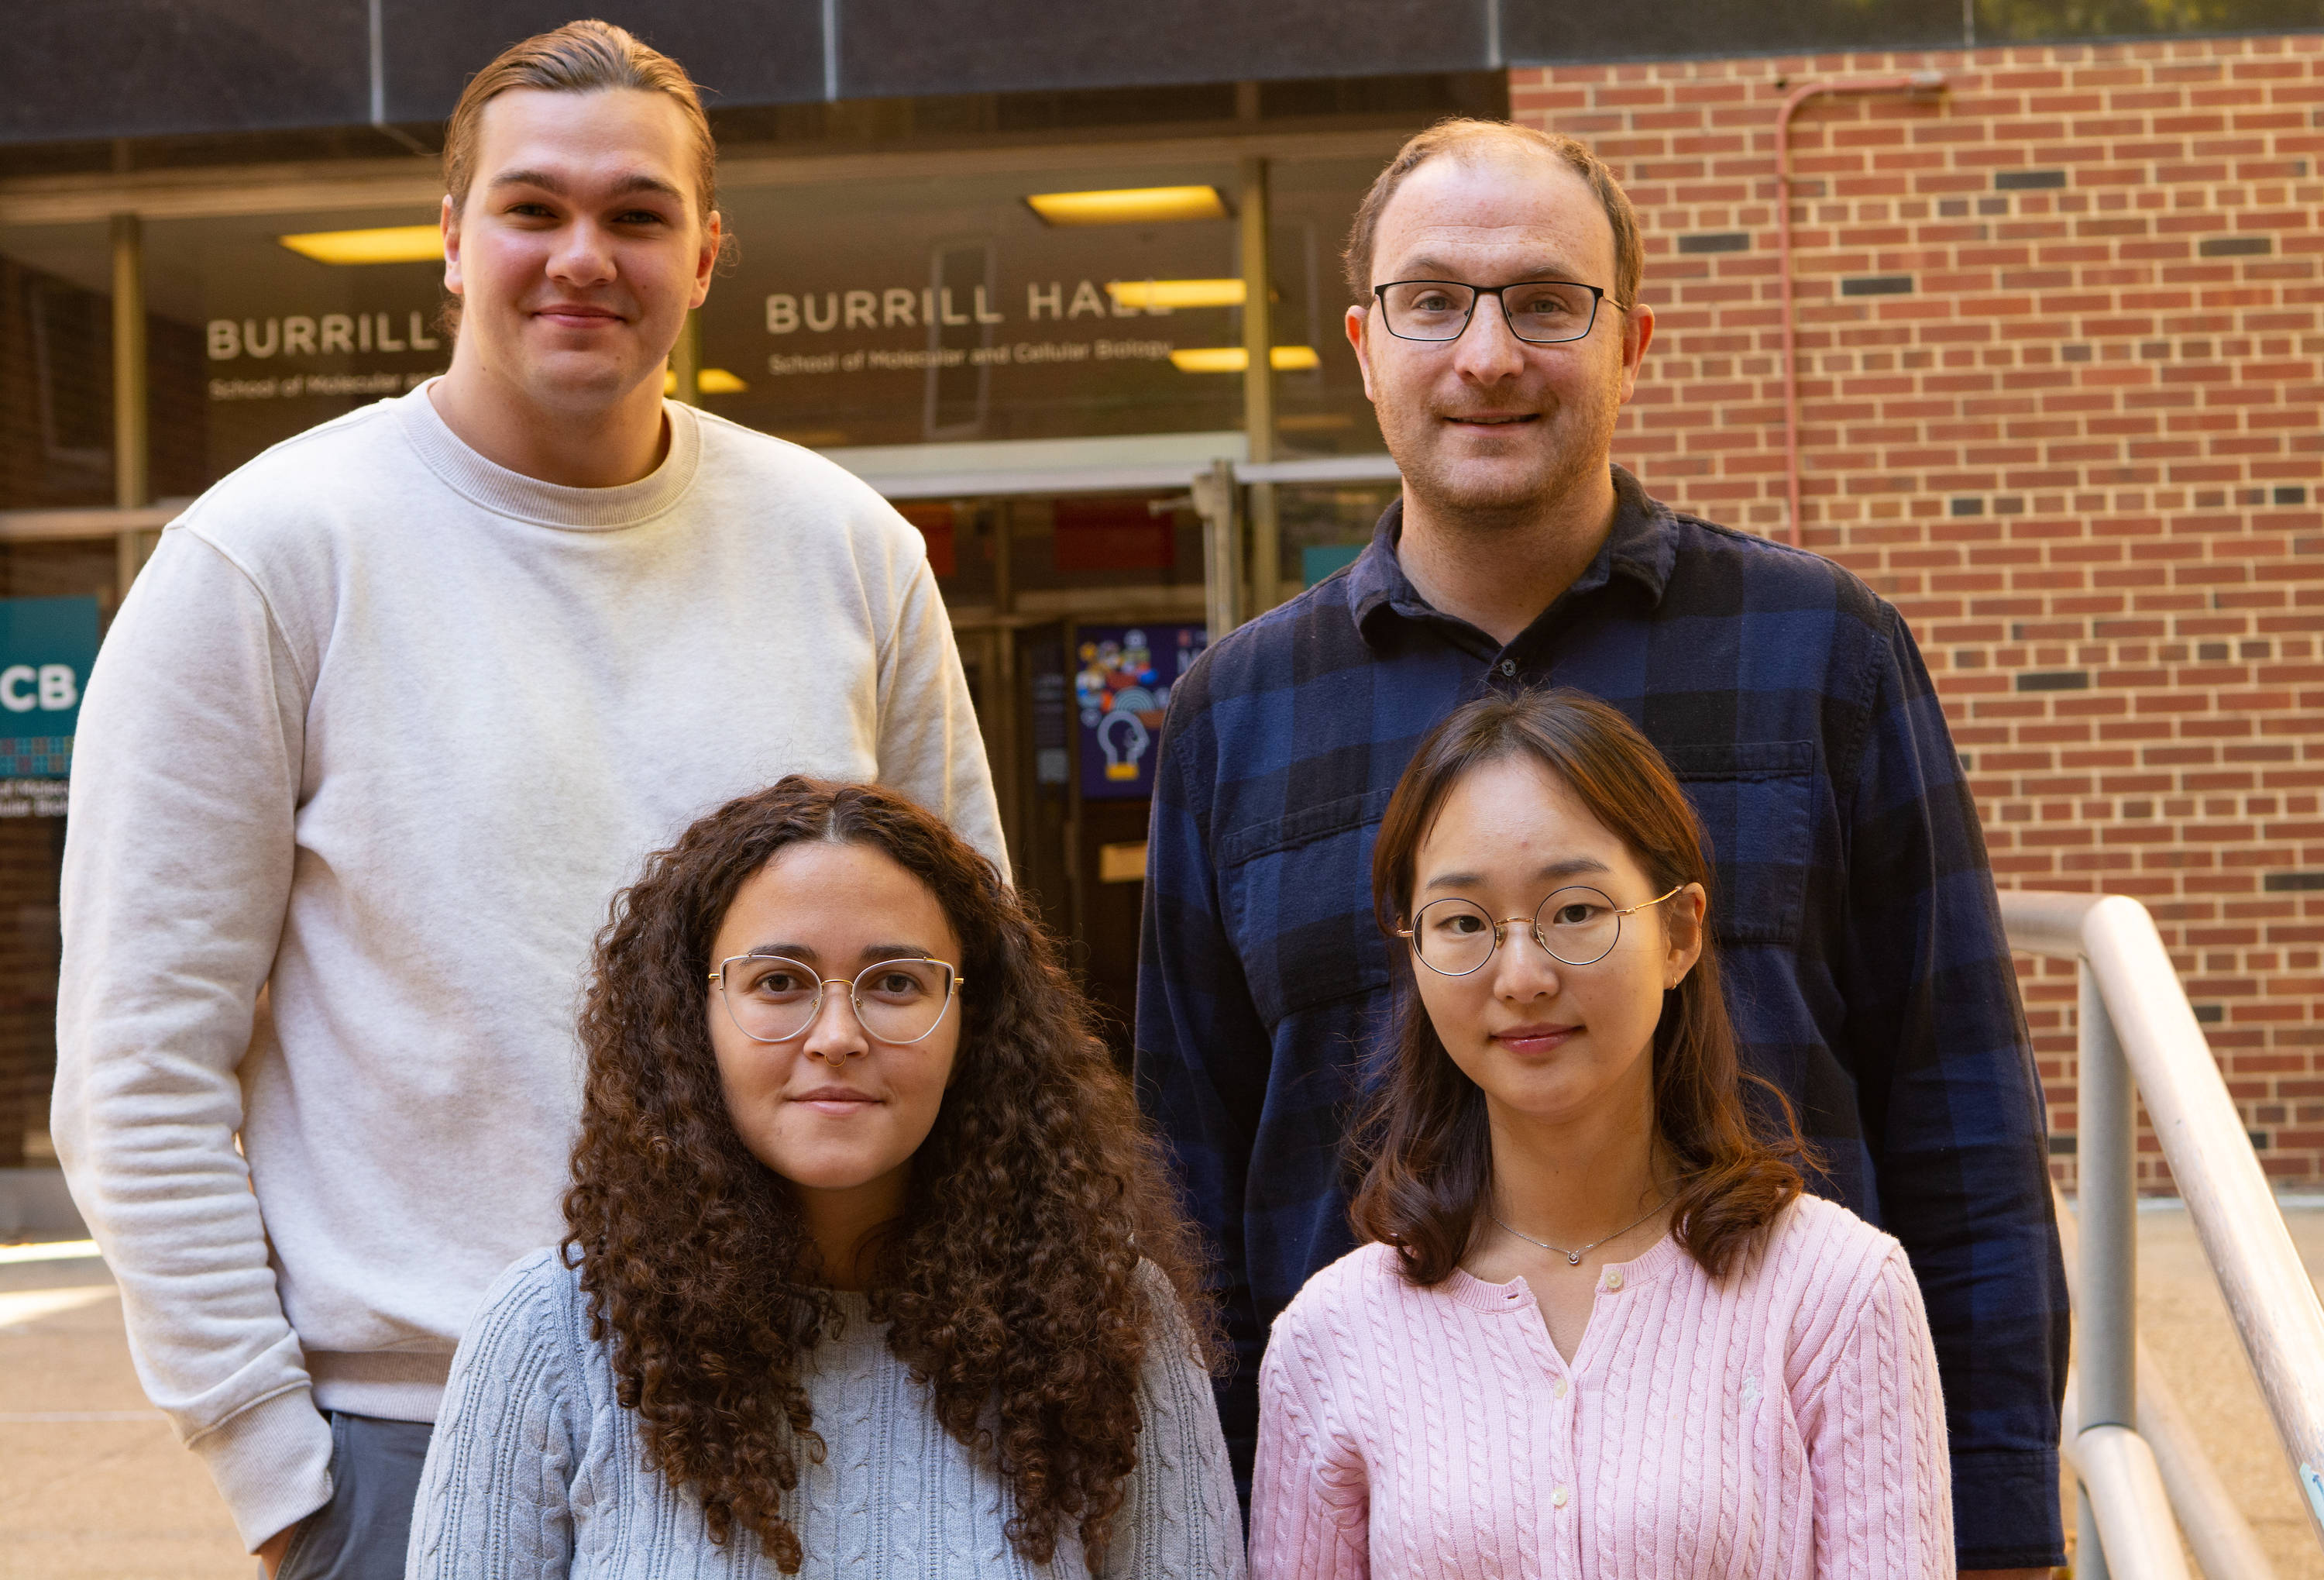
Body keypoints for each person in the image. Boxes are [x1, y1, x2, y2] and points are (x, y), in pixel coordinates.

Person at [51, 22, 999, 1579]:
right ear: (450, 238)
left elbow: (968, 992)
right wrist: (282, 1469)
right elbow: (137, 1067)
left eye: (634, 215)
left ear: (705, 255)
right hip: (402, 1444)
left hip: (809, 1406)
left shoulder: (851, 552)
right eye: (532, 208)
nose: (582, 256)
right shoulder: (266, 559)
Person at [1136, 118, 2064, 1575]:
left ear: (1633, 338)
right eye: (1432, 300)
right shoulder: (1235, 713)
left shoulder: (1821, 650)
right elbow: (1183, 1167)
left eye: (1545, 301)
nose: (1488, 353)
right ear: (1364, 346)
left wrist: (2007, 1519)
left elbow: (1955, 1099)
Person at [406, 777, 1243, 1578]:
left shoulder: (1110, 1323)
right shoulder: (548, 1339)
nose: (837, 1033)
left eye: (896, 983)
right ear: (691, 1021)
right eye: (778, 981)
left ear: (971, 1023)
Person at [1247, 690, 1951, 1578]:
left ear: (1679, 931)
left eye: (1574, 910)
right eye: (1462, 922)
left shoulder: (1835, 1296)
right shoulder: (1332, 1335)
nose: (1523, 974)